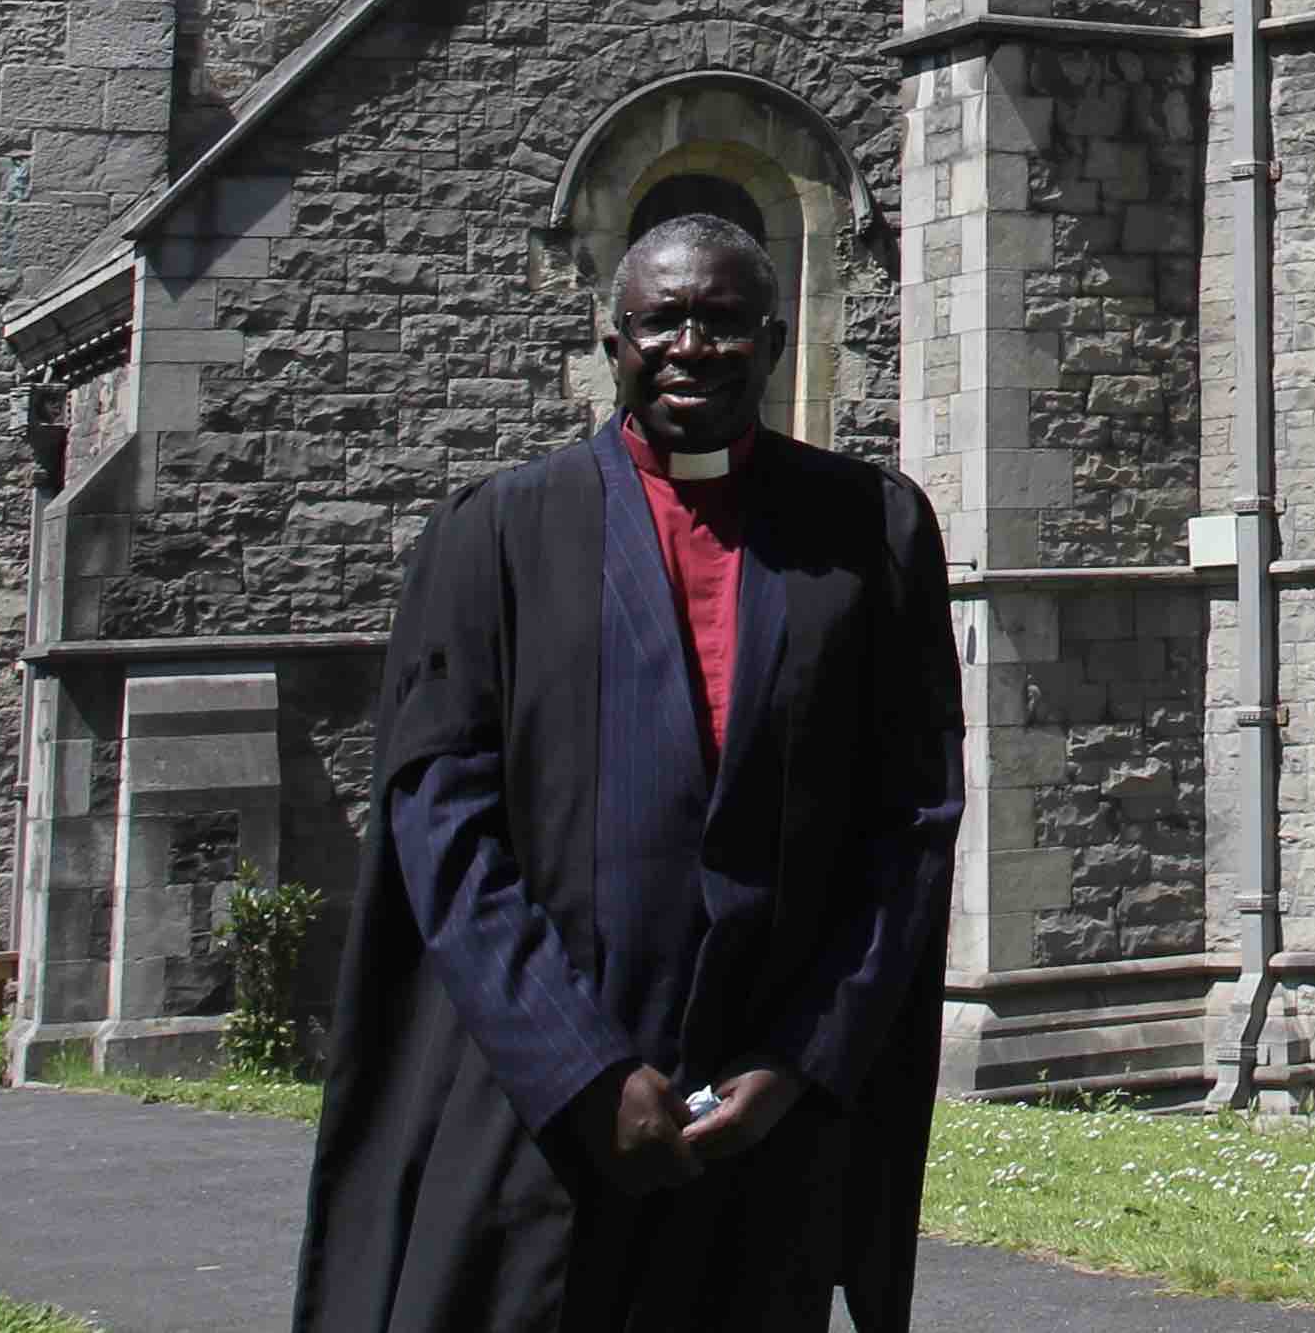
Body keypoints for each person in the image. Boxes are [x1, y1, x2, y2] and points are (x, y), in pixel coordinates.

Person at [292, 213, 964, 1333]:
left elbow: (909, 823)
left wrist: (799, 1060)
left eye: (723, 321)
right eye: (661, 321)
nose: (690, 347)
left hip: (756, 1124)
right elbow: (438, 823)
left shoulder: (867, 532)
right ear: (614, 342)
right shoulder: (499, 535)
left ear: (775, 338)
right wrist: (581, 1069)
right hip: (539, 1112)